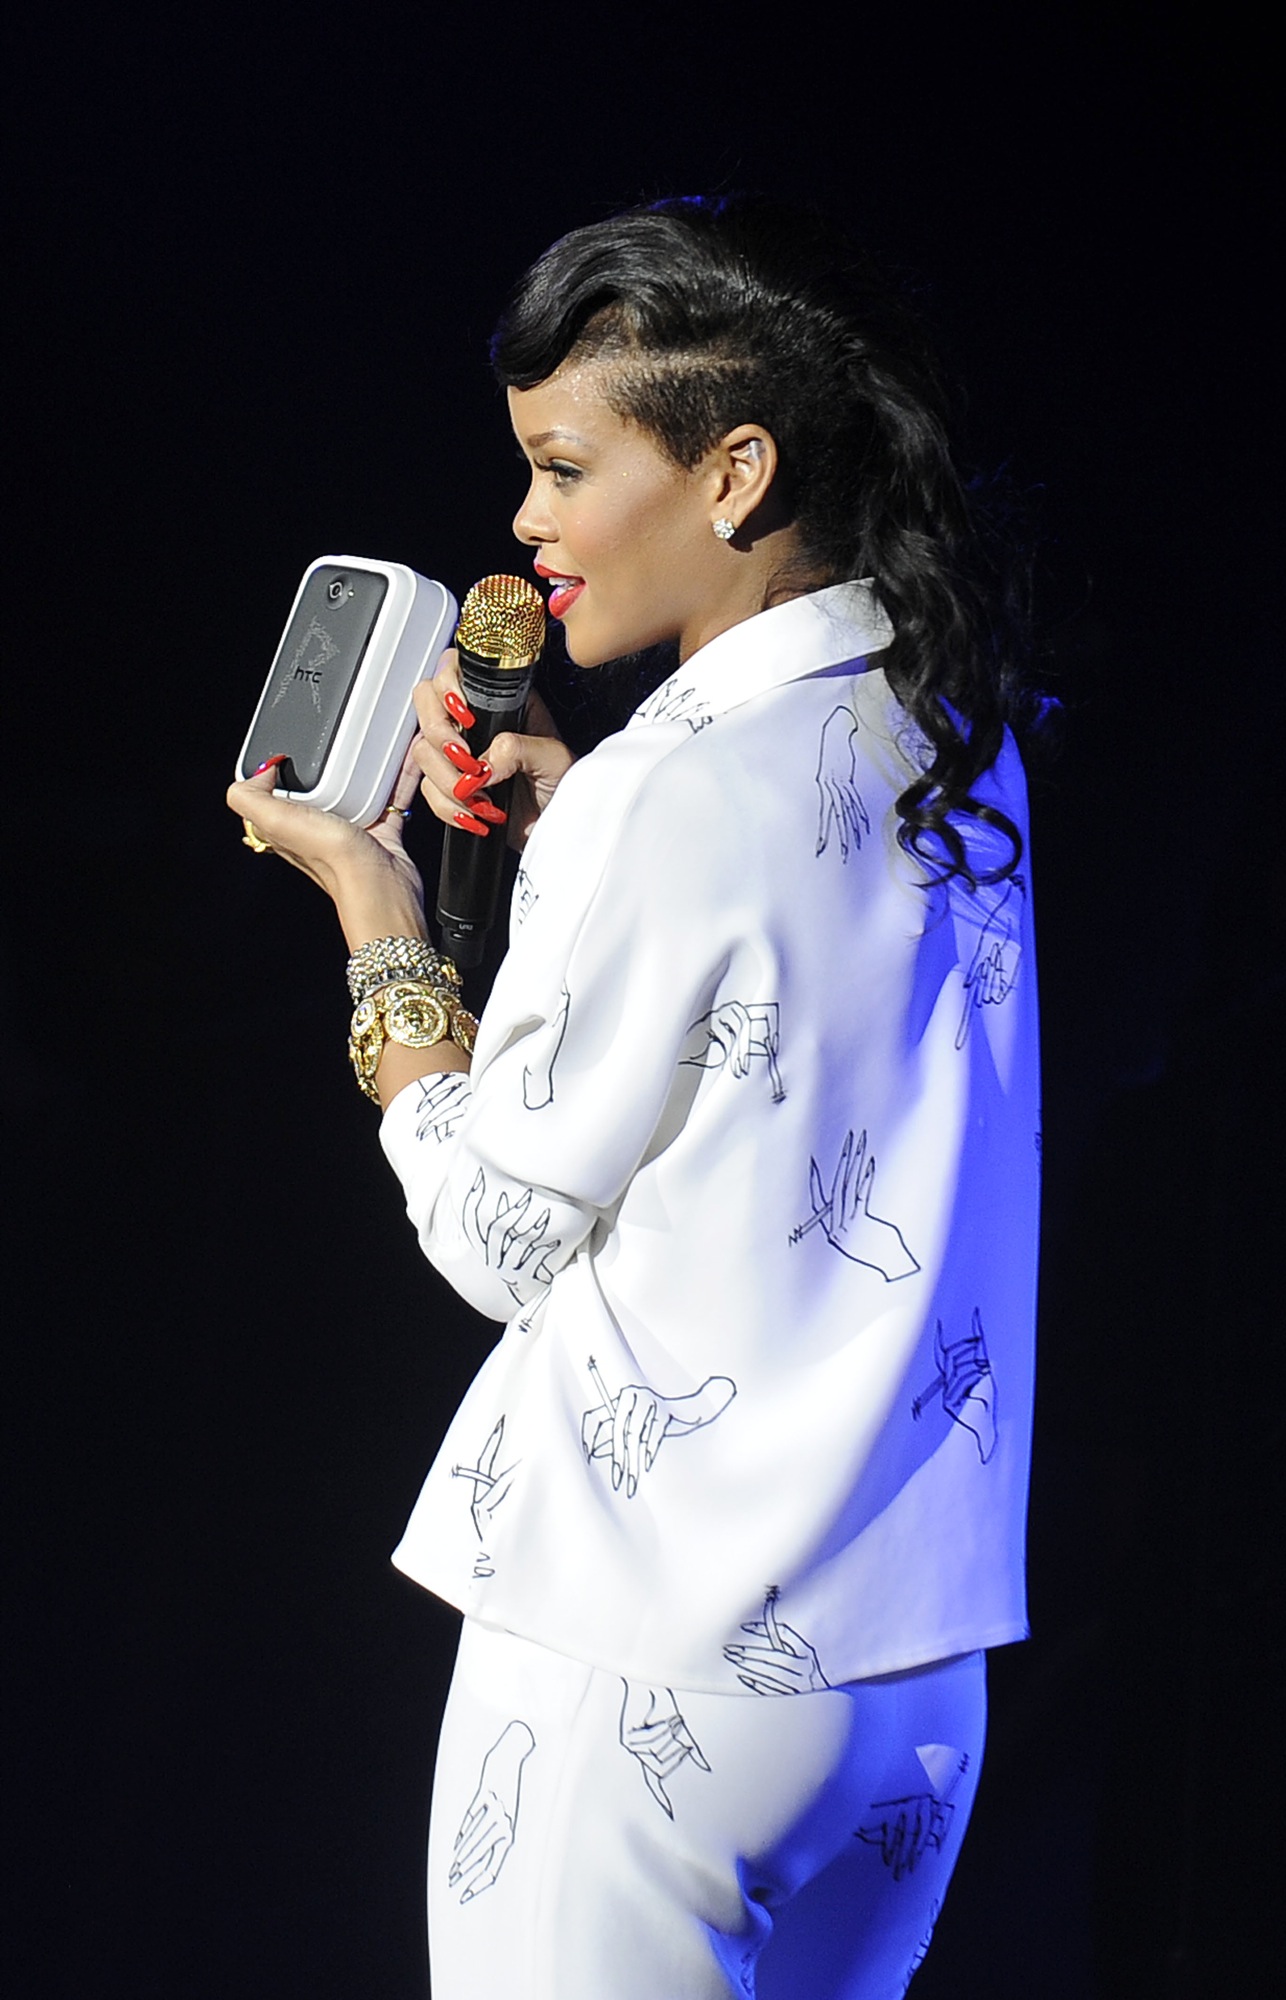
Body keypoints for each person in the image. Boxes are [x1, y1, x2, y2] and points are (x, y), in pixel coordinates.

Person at [228, 195, 1040, 2000]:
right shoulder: (943, 732)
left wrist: (377, 915)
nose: (526, 523)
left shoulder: (664, 794)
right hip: (901, 1685)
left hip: (642, 1656)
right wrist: (570, 838)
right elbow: (773, 1038)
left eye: (563, 468)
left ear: (734, 472)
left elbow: (493, 1237)